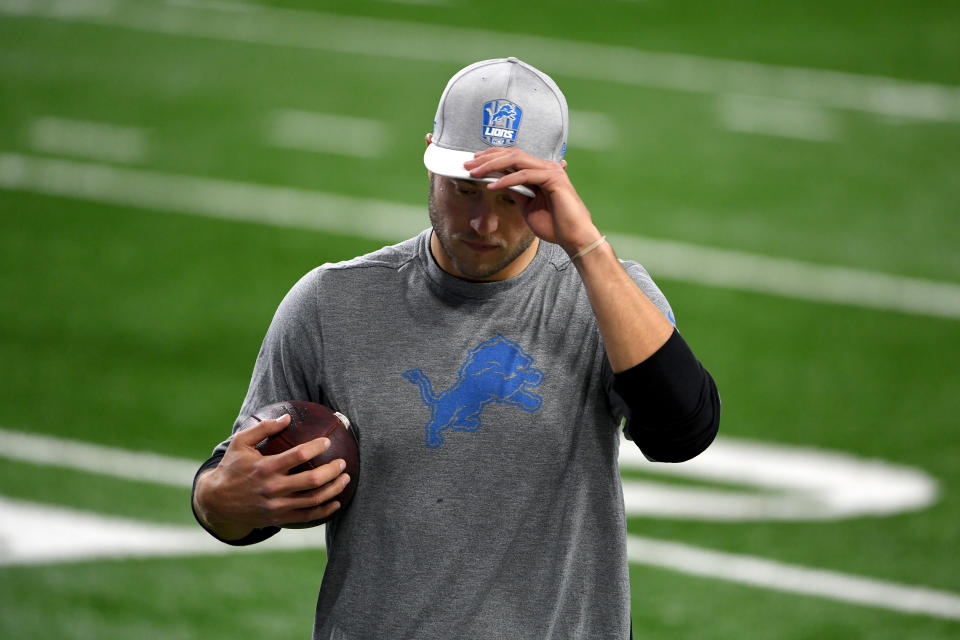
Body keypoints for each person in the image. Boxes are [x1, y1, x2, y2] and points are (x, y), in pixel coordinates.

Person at [192, 57, 720, 639]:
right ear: (429, 157)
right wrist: (222, 499)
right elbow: (233, 480)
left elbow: (682, 434)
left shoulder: (608, 297)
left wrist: (585, 244)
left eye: (511, 197)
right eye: (464, 190)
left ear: (557, 179)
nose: (482, 223)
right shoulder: (331, 302)